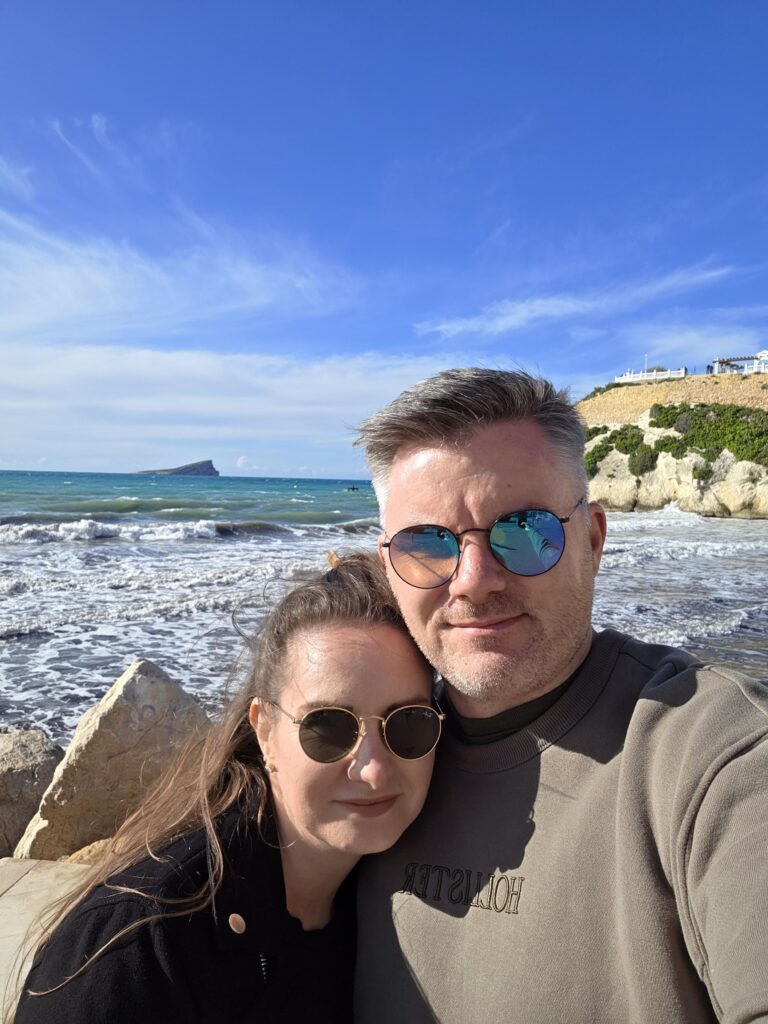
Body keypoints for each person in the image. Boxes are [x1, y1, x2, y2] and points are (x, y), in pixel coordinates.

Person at [353, 368, 768, 1024]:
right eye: (427, 543)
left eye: (525, 530)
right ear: (389, 568)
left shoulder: (713, 754)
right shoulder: (363, 762)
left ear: (594, 540)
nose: (474, 581)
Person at [12, 554, 439, 1024]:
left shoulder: (388, 895)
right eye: (329, 727)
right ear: (265, 731)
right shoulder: (141, 947)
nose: (374, 769)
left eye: (409, 723)